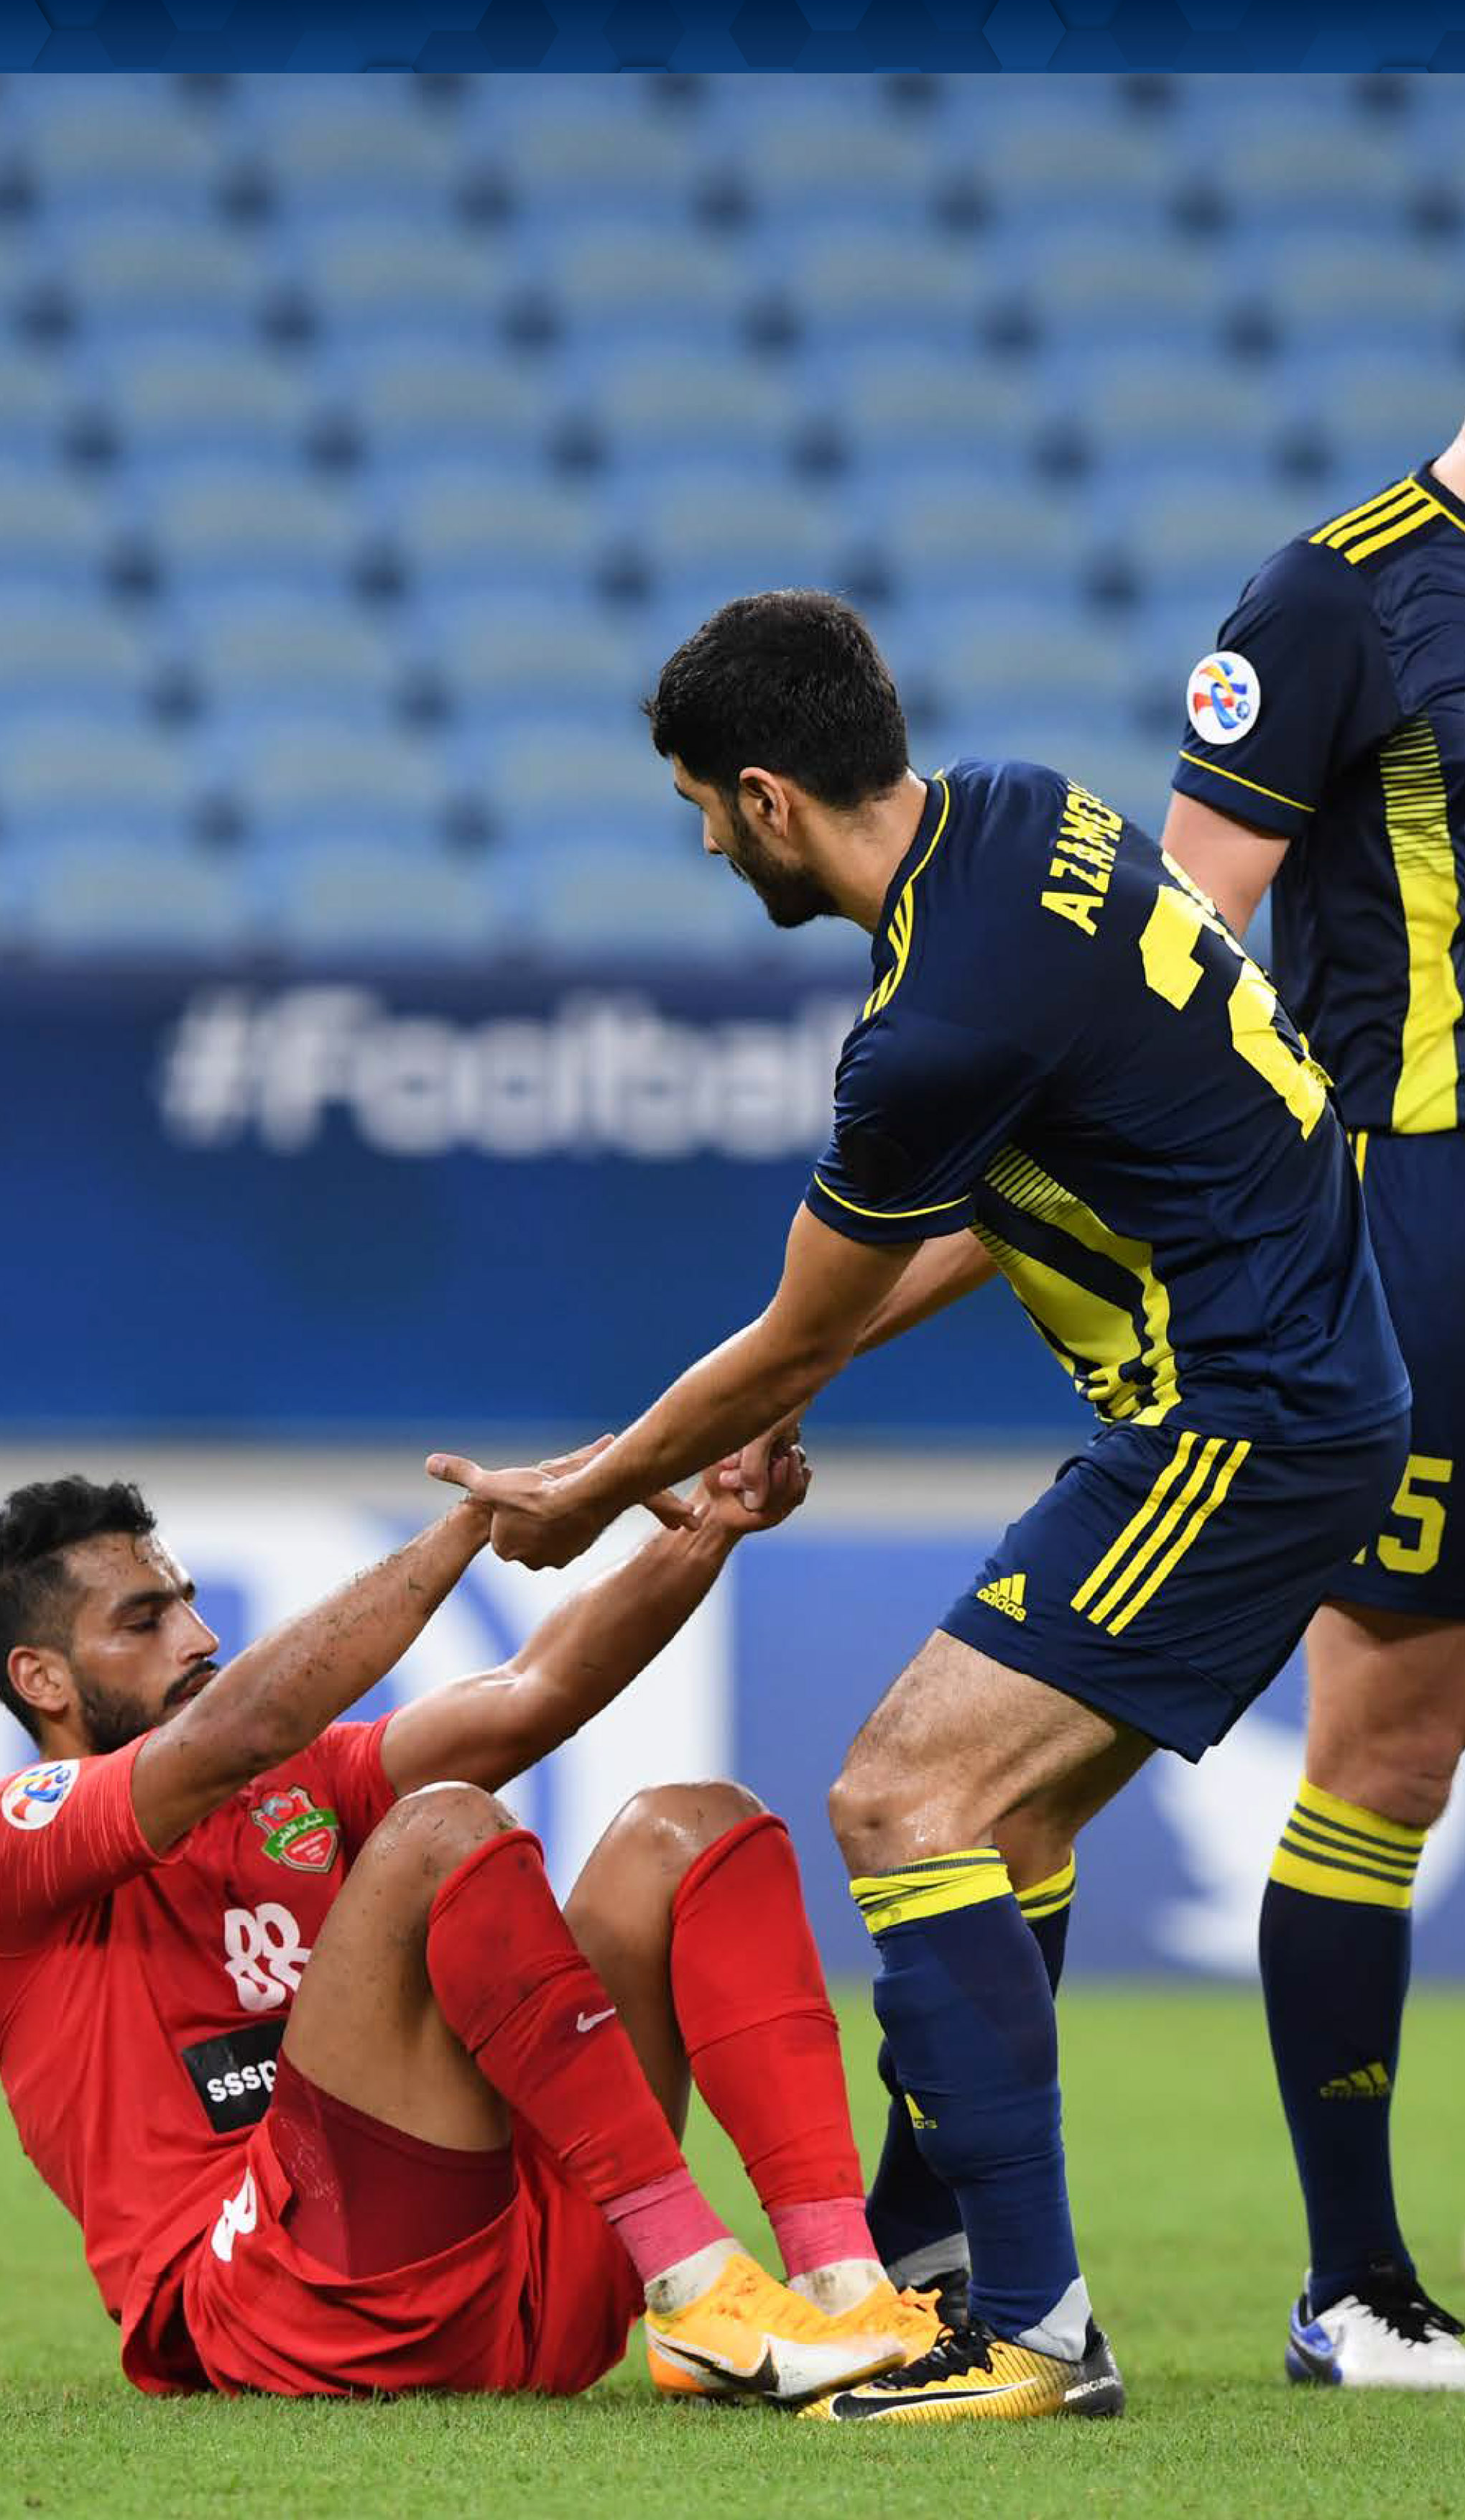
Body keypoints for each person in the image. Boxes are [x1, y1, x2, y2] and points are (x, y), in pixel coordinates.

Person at [426, 589, 1408, 2427]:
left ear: (768, 795)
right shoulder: (1024, 815)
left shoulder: (923, 1027)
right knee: (1000, 1824)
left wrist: (591, 1488)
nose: (707, 846)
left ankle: (1035, 2329)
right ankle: (934, 2262)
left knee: (901, 1794)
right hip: (1297, 1390)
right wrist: (784, 1384)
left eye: (702, 810)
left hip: (1239, 1416)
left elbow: (800, 1316)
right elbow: (988, 1209)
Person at [0, 1453, 943, 2404]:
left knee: (696, 1824)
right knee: (439, 1826)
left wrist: (712, 1522)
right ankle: (689, 2276)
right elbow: (240, 1727)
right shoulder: (6, 1852)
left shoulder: (291, 1788)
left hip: (524, 2278)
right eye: (145, 1621)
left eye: (188, 1602)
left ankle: (840, 2281)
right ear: (42, 1680)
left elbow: (532, 1693)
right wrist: (470, 1525)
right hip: (283, 2306)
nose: (199, 1637)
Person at [1155, 427, 1465, 2389]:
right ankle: (1355, 2282)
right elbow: (1184, 940)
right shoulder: (1337, 594)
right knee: (1392, 1740)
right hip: (1425, 1225)